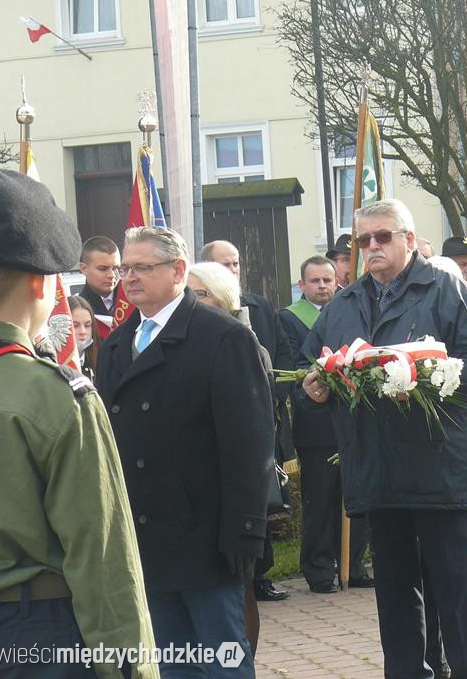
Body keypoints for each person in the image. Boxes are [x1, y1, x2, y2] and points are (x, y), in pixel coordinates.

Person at [301, 199, 467, 679]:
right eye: (363, 240)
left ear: (408, 238)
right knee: (395, 593)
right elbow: (314, 369)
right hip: (377, 468)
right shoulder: (344, 302)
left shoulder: (445, 287)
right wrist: (316, 388)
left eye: (382, 237)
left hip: (439, 463)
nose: (372, 247)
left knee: (455, 588)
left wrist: (436, 379)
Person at [0, 165, 158, 679]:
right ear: (42, 283)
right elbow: (102, 555)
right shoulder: (56, 396)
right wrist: (132, 666)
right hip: (31, 633)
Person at [96, 225, 275, 677]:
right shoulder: (117, 343)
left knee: (221, 660)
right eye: (125, 269)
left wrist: (245, 531)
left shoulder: (221, 336)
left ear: (178, 271)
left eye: (143, 267)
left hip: (205, 538)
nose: (130, 277)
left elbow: (249, 444)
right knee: (171, 663)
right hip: (144, 535)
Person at [187, 261, 279, 656]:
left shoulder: (241, 342)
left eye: (201, 293)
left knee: (239, 589)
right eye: (187, 292)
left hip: (236, 488)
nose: (191, 301)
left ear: (223, 300)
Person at [200, 239, 294, 601]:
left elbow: (281, 352)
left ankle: (262, 576)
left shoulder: (258, 306)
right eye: (225, 264)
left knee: (260, 505)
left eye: (236, 263)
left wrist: (277, 394)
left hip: (263, 414)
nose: (233, 269)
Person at [278, 256, 373, 594]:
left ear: (337, 282)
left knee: (356, 495)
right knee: (321, 500)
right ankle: (319, 569)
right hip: (317, 424)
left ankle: (354, 564)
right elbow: (293, 367)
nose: (322, 287)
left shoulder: (351, 314)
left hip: (354, 419)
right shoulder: (289, 320)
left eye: (327, 281)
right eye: (315, 281)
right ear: (301, 285)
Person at [77, 235, 120, 337]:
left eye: (116, 268)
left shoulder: (133, 301)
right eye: (103, 269)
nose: (112, 275)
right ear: (83, 268)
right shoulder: (76, 309)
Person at [68, 294, 101, 379]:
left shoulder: (101, 359)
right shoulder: (52, 363)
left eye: (87, 325)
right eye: (75, 326)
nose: (83, 332)